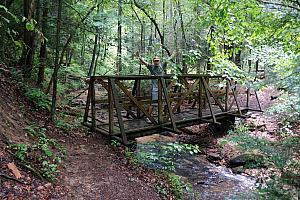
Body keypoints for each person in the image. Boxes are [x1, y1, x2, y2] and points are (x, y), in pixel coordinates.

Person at [136, 50, 177, 122]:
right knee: (153, 103)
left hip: (163, 88)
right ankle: (148, 117)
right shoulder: (151, 67)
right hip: (155, 88)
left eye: (157, 60)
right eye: (155, 61)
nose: (156, 62)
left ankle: (166, 116)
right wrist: (139, 57)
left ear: (159, 61)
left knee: (165, 102)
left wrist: (174, 53)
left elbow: (169, 59)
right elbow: (144, 62)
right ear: (153, 61)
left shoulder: (162, 65)